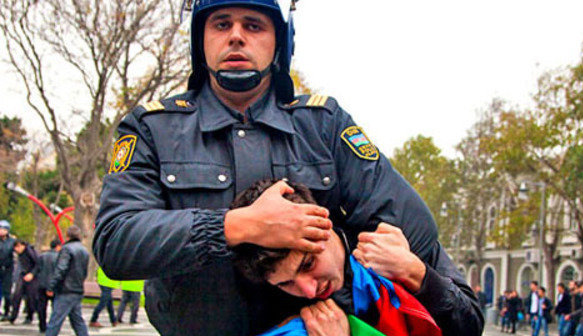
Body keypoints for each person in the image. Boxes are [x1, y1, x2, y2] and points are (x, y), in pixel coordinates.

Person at [93, 1, 483, 336]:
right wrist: (240, 226)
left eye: (254, 25)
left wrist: (333, 288)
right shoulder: (152, 127)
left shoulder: (324, 124)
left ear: (281, 38)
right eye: (221, 24)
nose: (236, 37)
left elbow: (412, 234)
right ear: (200, 38)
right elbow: (116, 241)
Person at [231, 179, 441, 336]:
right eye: (286, 283)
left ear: (322, 221)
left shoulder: (395, 261)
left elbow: (467, 321)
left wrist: (417, 274)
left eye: (308, 264)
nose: (309, 291)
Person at [45, 226, 90, 336]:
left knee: (55, 321)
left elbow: (61, 269)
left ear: (67, 236)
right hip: (77, 289)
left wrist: (51, 286)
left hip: (66, 289)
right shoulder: (84, 250)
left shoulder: (67, 249)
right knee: (77, 321)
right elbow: (84, 272)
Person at [9, 240, 41, 325]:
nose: (17, 250)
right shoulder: (20, 253)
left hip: (31, 276)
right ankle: (13, 316)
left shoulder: (30, 251)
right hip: (22, 274)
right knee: (16, 295)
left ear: (22, 246)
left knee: (31, 297)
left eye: (18, 247)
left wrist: (32, 274)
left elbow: (38, 264)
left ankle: (29, 316)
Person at [34, 238, 61, 333]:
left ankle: (42, 326)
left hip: (42, 284)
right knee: (55, 308)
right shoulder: (59, 257)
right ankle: (52, 326)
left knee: (42, 307)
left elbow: (37, 269)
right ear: (58, 246)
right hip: (54, 285)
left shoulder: (42, 256)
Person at [0, 220, 15, 320]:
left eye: (2, 229)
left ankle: (7, 311)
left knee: (7, 293)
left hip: (7, 269)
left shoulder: (12, 242)